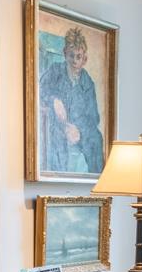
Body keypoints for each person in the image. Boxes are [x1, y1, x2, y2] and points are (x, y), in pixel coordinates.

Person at [39, 26, 105, 174]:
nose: (74, 61)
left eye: (78, 57)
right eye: (71, 55)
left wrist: (79, 131)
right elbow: (39, 90)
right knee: (56, 137)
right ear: (65, 54)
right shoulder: (55, 71)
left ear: (84, 59)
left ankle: (96, 182)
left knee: (96, 138)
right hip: (58, 125)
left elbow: (94, 117)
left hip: (80, 130)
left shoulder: (88, 83)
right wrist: (53, 99)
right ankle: (56, 180)